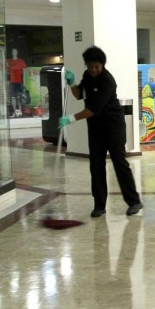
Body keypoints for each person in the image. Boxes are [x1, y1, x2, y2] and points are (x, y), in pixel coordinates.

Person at [59, 46, 143, 217]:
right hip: (95, 129)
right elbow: (78, 95)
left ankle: (134, 202)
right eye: (90, 67)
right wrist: (71, 83)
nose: (93, 70)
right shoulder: (87, 76)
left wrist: (71, 119)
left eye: (97, 66)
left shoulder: (108, 81)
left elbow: (93, 109)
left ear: (102, 65)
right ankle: (99, 205)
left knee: (120, 163)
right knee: (96, 166)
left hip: (113, 127)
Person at [7, 48, 27, 117]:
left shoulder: (21, 61)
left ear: (17, 52)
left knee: (19, 97)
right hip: (12, 82)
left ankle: (20, 111)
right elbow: (6, 71)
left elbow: (24, 73)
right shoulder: (8, 61)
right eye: (13, 51)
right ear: (11, 52)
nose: (14, 52)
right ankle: (15, 111)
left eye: (15, 51)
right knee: (13, 97)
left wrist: (24, 82)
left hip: (19, 82)